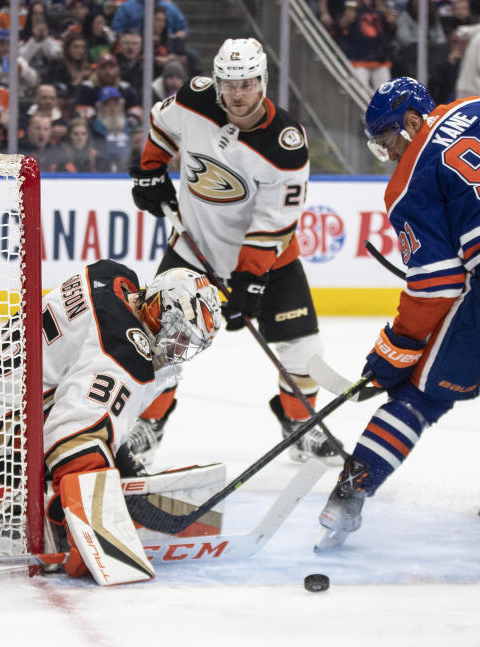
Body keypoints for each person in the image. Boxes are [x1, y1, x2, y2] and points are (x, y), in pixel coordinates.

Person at [313, 76, 480, 551]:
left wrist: (396, 348)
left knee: (421, 395)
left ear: (411, 122)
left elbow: (436, 284)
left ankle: (348, 495)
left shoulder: (407, 181)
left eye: (388, 140)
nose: (388, 154)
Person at [128, 38, 339, 466]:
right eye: (229, 84)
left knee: (303, 349)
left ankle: (299, 424)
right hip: (192, 249)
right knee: (159, 344)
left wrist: (248, 280)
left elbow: (274, 222)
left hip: (268, 263)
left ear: (263, 81)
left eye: (247, 84)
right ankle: (149, 424)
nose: (237, 94)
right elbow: (162, 125)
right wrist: (151, 171)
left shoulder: (287, 144)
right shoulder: (193, 99)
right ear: (218, 82)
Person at [0, 260, 222, 574]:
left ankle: (1, 493)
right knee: (93, 454)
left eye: (188, 344)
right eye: (179, 335)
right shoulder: (123, 351)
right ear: (157, 309)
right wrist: (92, 533)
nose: (178, 348)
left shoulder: (110, 277)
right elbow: (74, 436)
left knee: (111, 449)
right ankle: (11, 502)